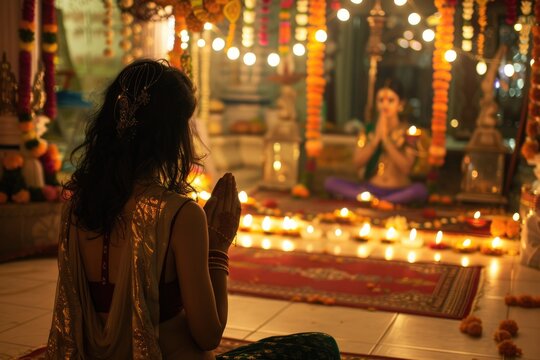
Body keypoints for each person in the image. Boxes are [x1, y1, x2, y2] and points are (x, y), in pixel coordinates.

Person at [46, 59, 340, 359]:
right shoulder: (179, 215)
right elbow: (208, 335)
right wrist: (218, 249)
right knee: (320, 347)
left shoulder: (76, 205)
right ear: (170, 136)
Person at [325, 79, 428, 205]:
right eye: (381, 100)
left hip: (399, 190)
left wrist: (385, 139)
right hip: (371, 189)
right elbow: (357, 163)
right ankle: (379, 201)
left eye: (391, 100)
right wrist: (375, 140)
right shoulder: (368, 131)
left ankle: (383, 202)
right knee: (331, 182)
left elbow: (406, 168)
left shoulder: (409, 132)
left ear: (400, 104)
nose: (385, 105)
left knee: (419, 190)